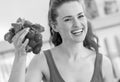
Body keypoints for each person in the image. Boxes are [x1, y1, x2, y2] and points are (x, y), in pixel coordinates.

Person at [8, 0, 116, 82]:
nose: (77, 24)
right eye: (68, 19)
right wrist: (20, 56)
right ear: (54, 26)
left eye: (80, 16)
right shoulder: (42, 61)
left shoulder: (103, 63)